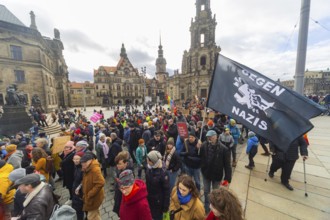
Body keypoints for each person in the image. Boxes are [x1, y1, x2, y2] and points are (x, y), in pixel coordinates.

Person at [200, 130, 232, 213]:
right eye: (208, 137)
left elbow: (227, 165)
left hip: (217, 175)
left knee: (215, 193)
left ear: (216, 137)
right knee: (206, 191)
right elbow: (200, 156)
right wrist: (197, 146)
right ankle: (206, 208)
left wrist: (227, 179)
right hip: (206, 173)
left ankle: (214, 208)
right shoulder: (203, 145)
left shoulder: (224, 149)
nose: (210, 138)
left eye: (212, 137)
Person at [146, 150, 170, 220]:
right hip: (150, 198)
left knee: (157, 217)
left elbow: (167, 191)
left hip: (158, 202)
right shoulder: (149, 167)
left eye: (148, 160)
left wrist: (165, 206)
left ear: (152, 161)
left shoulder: (163, 173)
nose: (146, 160)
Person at [81, 152, 105, 220]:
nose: (83, 166)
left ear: (89, 161)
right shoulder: (88, 168)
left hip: (93, 198)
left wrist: (90, 194)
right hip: (91, 198)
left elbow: (101, 182)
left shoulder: (94, 169)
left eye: (84, 164)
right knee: (95, 215)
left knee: (91, 217)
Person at [72, 151, 85, 220]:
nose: (75, 161)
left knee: (79, 209)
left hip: (80, 192)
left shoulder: (83, 168)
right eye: (74, 159)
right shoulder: (76, 167)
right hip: (75, 190)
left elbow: (84, 180)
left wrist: (78, 188)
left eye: (77, 159)